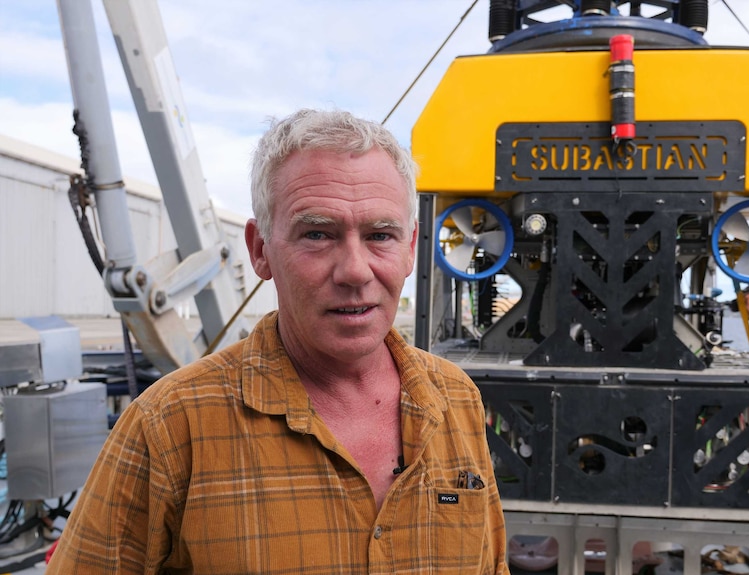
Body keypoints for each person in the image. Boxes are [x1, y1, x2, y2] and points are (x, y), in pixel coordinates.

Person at [46, 109, 510, 574]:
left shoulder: (456, 399)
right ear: (260, 250)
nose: (354, 271)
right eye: (317, 234)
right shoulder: (169, 426)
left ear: (410, 249)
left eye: (379, 235)